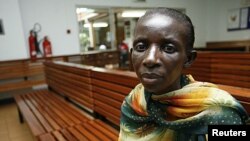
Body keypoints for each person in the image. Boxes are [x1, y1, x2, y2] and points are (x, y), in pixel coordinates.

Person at [119, 8, 248, 141]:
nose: (150, 59)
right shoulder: (134, 102)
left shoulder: (220, 114)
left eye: (168, 48)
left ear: (189, 58)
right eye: (141, 47)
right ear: (131, 54)